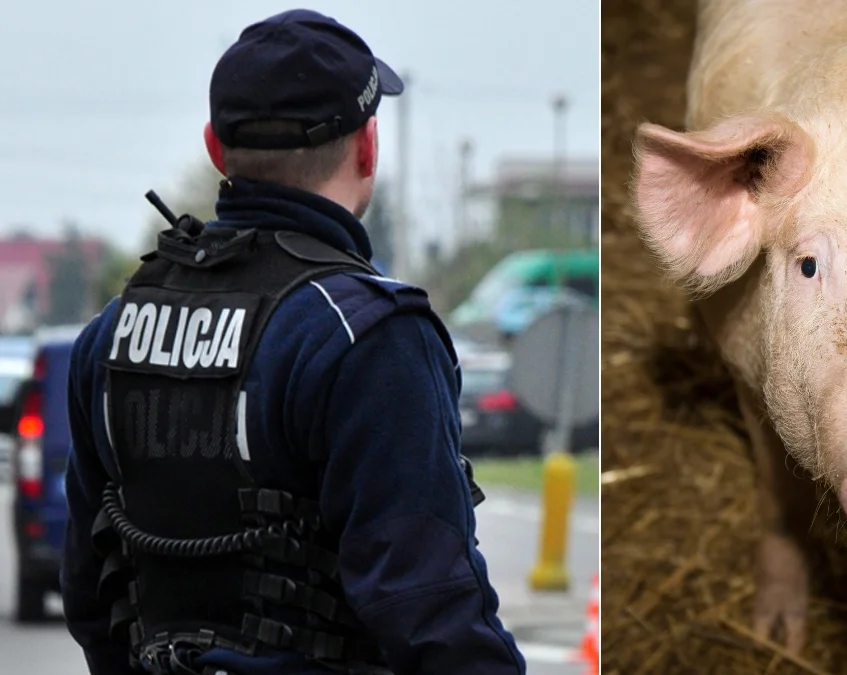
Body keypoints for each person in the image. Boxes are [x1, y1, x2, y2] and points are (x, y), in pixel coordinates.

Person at [60, 9, 525, 675]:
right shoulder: (367, 335)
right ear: (368, 147)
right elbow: (430, 607)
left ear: (216, 150)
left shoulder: (110, 334)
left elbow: (91, 591)